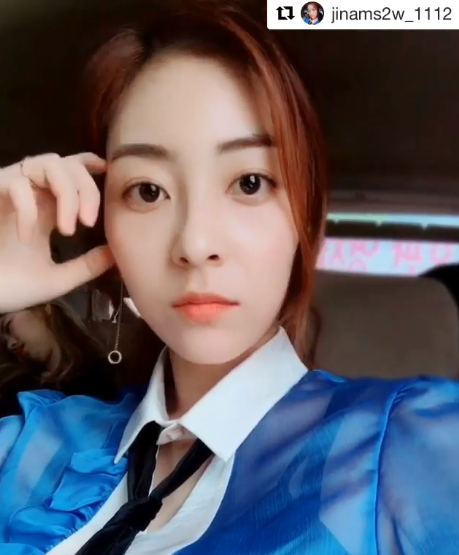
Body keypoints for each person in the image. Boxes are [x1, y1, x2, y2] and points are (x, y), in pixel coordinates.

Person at [0, 1, 458, 554]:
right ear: (107, 228)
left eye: (249, 183)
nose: (196, 245)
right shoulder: (31, 443)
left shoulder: (409, 448)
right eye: (148, 191)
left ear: (305, 215)